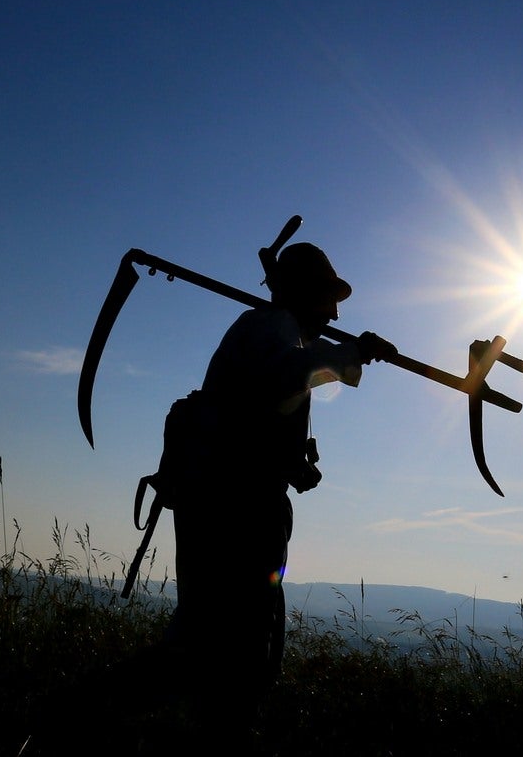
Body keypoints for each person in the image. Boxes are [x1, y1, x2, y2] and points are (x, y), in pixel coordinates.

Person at [169, 240, 396, 730]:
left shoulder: (282, 332)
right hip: (235, 507)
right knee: (243, 636)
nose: (335, 310)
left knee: (221, 633)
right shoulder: (270, 328)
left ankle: (195, 753)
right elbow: (286, 379)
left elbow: (279, 393)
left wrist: (295, 463)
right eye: (327, 297)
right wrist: (355, 350)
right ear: (303, 294)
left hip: (229, 498)